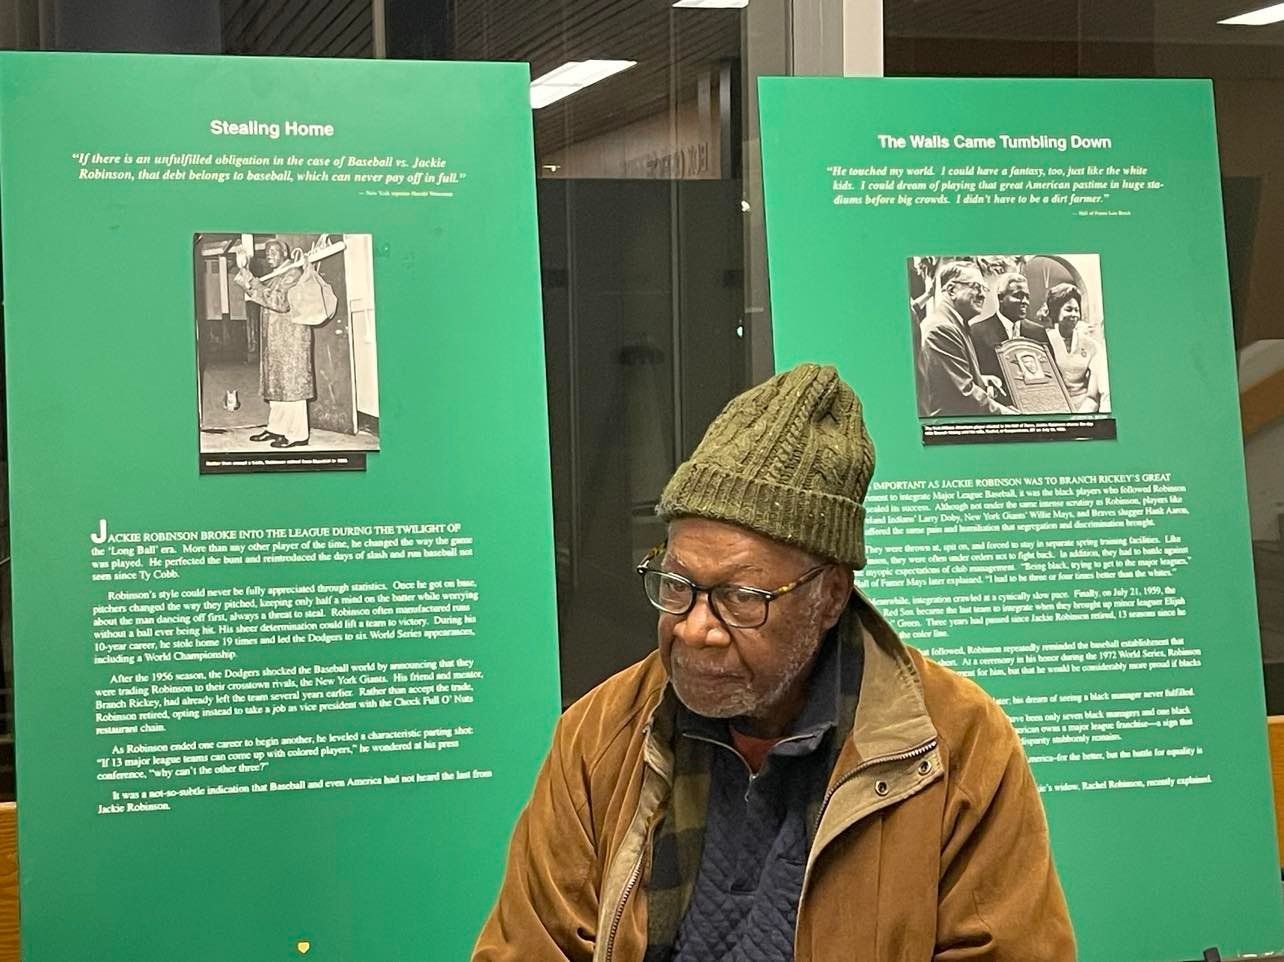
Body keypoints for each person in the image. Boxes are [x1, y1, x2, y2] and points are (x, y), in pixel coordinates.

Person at [473, 363, 1075, 962]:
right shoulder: (600, 736)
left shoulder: (958, 750)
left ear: (830, 595)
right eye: (677, 584)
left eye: (741, 598)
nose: (696, 628)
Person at [233, 238, 313, 448]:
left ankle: (298, 435)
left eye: (274, 251)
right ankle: (276, 428)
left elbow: (279, 302)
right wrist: (250, 279)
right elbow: (263, 292)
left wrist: (253, 286)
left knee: (293, 386)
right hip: (277, 340)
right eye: (267, 252)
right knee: (277, 385)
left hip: (292, 341)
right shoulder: (277, 275)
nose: (269, 255)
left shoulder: (293, 273)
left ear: (285, 253)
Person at [919, 262, 1017, 417]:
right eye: (976, 286)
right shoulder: (942, 329)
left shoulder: (954, 323)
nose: (983, 295)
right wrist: (1011, 415)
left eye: (984, 288)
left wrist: (982, 380)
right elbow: (963, 396)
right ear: (952, 290)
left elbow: (945, 380)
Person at [968, 272, 1053, 406]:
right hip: (997, 409)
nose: (1025, 301)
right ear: (1001, 298)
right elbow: (973, 377)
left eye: (1027, 297)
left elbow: (1051, 375)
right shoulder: (977, 332)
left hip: (1036, 406)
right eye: (1018, 296)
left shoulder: (1038, 332)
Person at [1039, 282, 1109, 413]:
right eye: (1069, 309)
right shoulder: (1043, 341)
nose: (1075, 314)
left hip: (1084, 409)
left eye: (1077, 310)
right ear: (1056, 311)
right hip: (1051, 409)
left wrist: (1080, 417)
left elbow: (1092, 397)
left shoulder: (1092, 346)